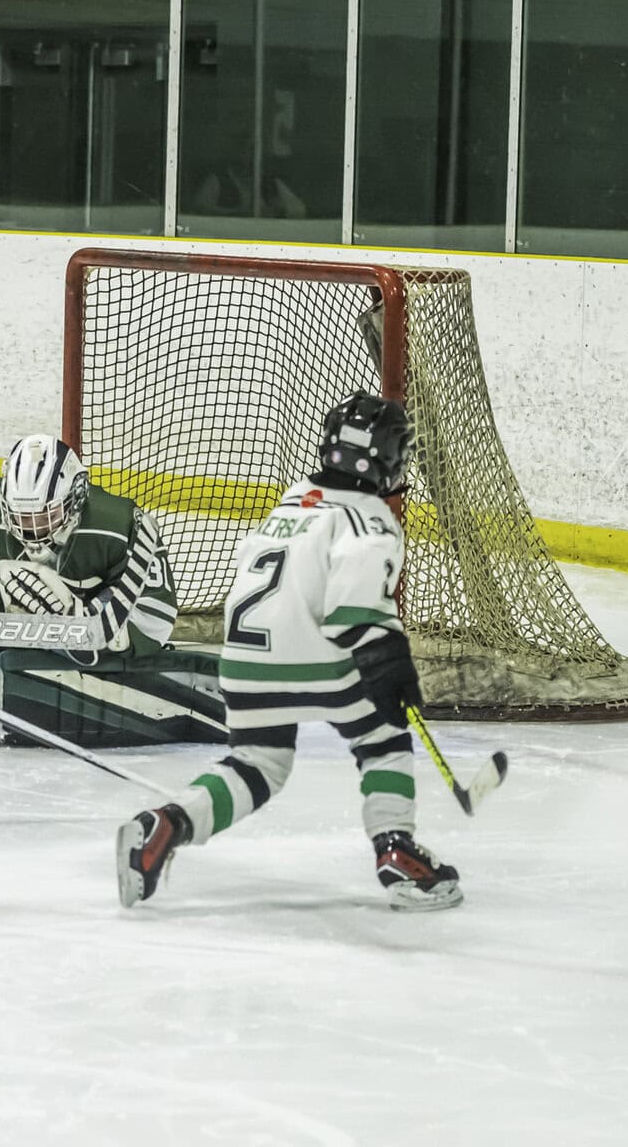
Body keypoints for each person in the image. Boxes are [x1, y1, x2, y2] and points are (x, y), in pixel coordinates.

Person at [116, 391, 464, 912]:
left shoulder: (295, 498)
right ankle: (395, 851)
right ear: (390, 458)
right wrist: (391, 670)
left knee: (260, 763)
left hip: (243, 657)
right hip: (316, 653)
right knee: (382, 738)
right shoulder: (371, 518)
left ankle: (166, 825)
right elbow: (353, 613)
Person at [0, 434, 223, 746]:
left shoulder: (119, 525)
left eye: (45, 516)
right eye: (21, 517)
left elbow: (155, 614)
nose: (32, 530)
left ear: (76, 499)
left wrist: (87, 625)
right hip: (12, 637)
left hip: (91, 660)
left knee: (25, 680)